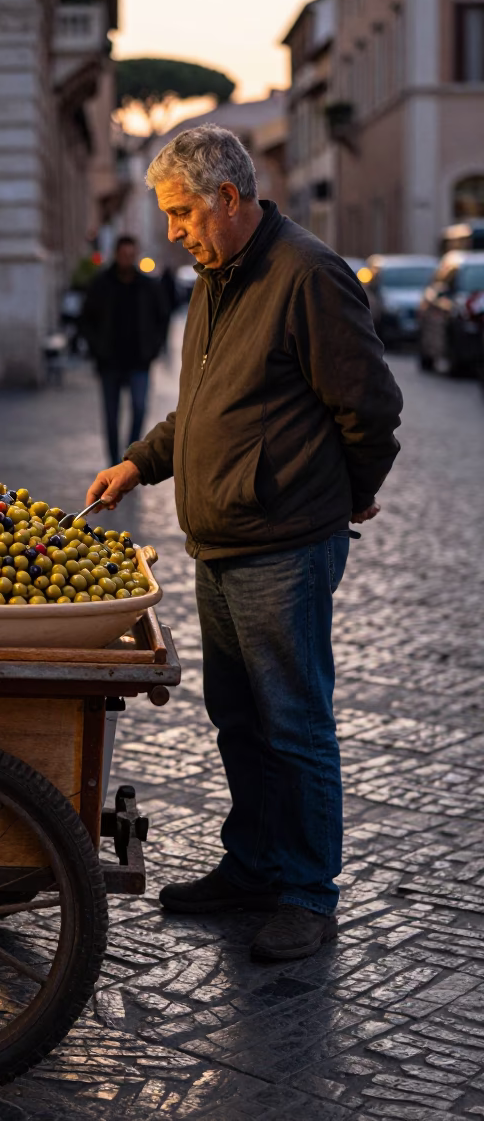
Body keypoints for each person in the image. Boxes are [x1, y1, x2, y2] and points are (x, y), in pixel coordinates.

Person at [84, 125, 403, 962]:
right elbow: (204, 406)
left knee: (294, 723)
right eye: (167, 216)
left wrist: (348, 495)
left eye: (184, 213)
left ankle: (305, 892)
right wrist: (139, 463)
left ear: (229, 198)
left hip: (285, 548)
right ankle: (253, 865)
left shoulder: (308, 274)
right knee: (239, 720)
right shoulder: (214, 278)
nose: (174, 232)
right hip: (221, 545)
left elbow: (371, 408)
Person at [80, 235, 169, 467]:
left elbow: (163, 317)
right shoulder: (101, 284)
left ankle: (128, 458)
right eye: (124, 255)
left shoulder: (148, 286)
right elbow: (86, 319)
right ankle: (112, 461)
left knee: (139, 409)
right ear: (117, 255)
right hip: (109, 362)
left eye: (131, 255)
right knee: (111, 417)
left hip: (140, 361)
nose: (127, 259)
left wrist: (154, 347)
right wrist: (97, 348)